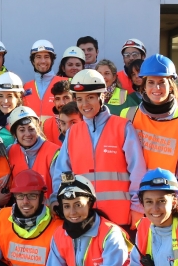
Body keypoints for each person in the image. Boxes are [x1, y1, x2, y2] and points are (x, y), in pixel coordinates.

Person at [51, 69, 147, 234]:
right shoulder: (73, 132)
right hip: (84, 217)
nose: (85, 104)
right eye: (79, 99)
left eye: (90, 97)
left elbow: (137, 171)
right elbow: (63, 172)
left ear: (101, 97)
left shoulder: (122, 127)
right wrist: (57, 199)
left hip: (119, 217)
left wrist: (137, 207)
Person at [121, 54, 178, 214]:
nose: (156, 88)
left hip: (168, 209)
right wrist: (135, 207)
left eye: (162, 83)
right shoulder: (128, 116)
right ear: (143, 86)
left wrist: (177, 212)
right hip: (135, 207)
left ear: (171, 85)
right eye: (151, 82)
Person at [45, 174, 130, 266]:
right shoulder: (59, 234)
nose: (72, 212)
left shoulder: (110, 232)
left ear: (90, 203)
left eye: (78, 205)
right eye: (66, 206)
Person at [7, 106, 60, 199]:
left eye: (31, 129)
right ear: (14, 134)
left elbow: (59, 186)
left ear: (38, 128)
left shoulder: (54, 152)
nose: (28, 134)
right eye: (22, 130)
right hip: (22, 211)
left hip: (49, 210)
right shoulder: (10, 151)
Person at [23, 40, 66, 118]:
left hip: (57, 130)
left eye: (46, 57)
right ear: (33, 61)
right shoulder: (26, 87)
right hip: (32, 130)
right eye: (38, 57)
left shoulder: (65, 83)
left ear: (52, 60)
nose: (43, 61)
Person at [0, 72, 25, 147]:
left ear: (18, 98)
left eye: (10, 96)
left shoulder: (25, 123)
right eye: (0, 96)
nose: (5, 101)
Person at [41, 80, 75, 145]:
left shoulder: (84, 121)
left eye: (66, 98)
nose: (62, 103)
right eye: (57, 99)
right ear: (54, 101)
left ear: (74, 99)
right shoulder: (46, 125)